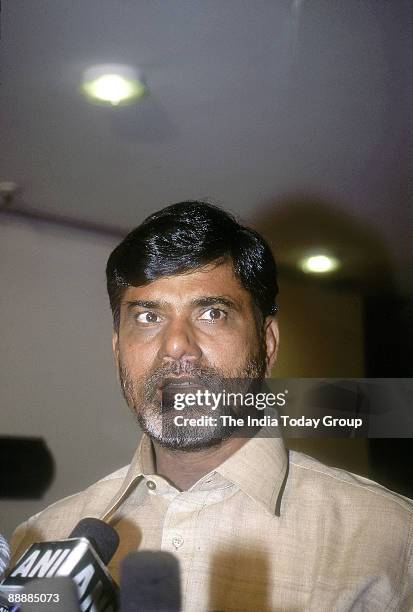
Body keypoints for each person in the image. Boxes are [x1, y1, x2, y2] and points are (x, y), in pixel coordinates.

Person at [10, 201, 413, 611]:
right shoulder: (36, 541)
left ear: (267, 343)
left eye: (211, 312)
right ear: (118, 350)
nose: (176, 345)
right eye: (148, 317)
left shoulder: (393, 541)